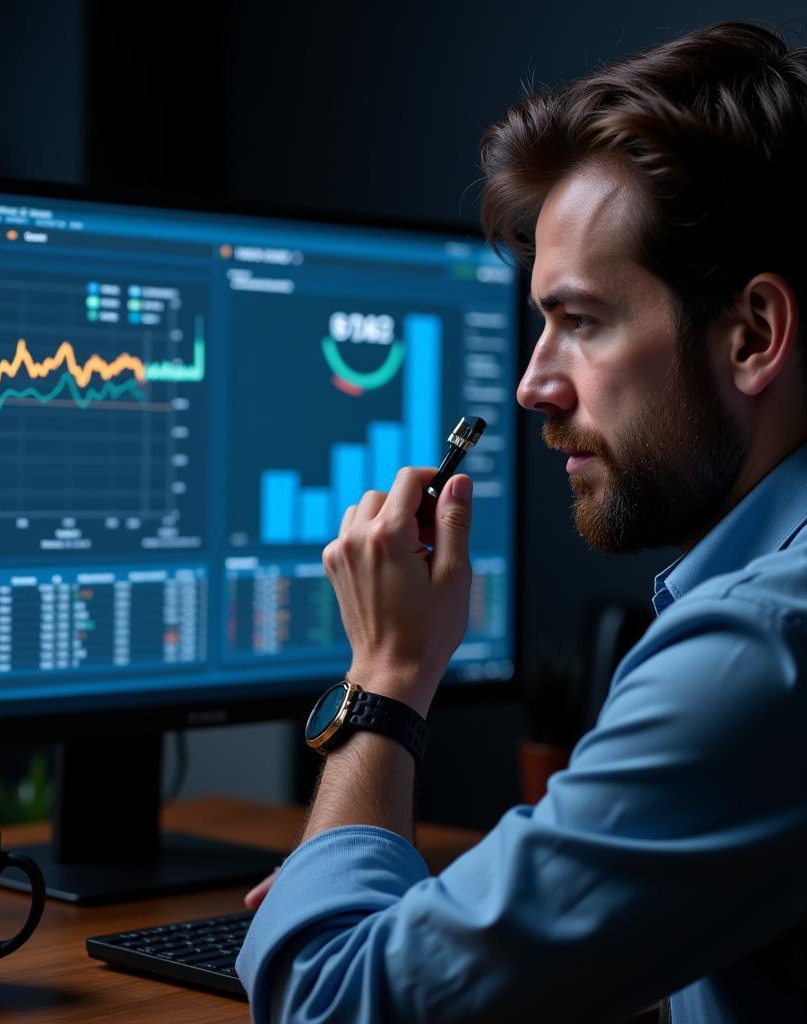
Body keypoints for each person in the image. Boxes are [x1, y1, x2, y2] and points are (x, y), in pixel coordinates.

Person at [235, 21, 807, 1024]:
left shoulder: (759, 648)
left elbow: (325, 1001)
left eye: (580, 320)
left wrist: (385, 676)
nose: (535, 384)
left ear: (752, 334)